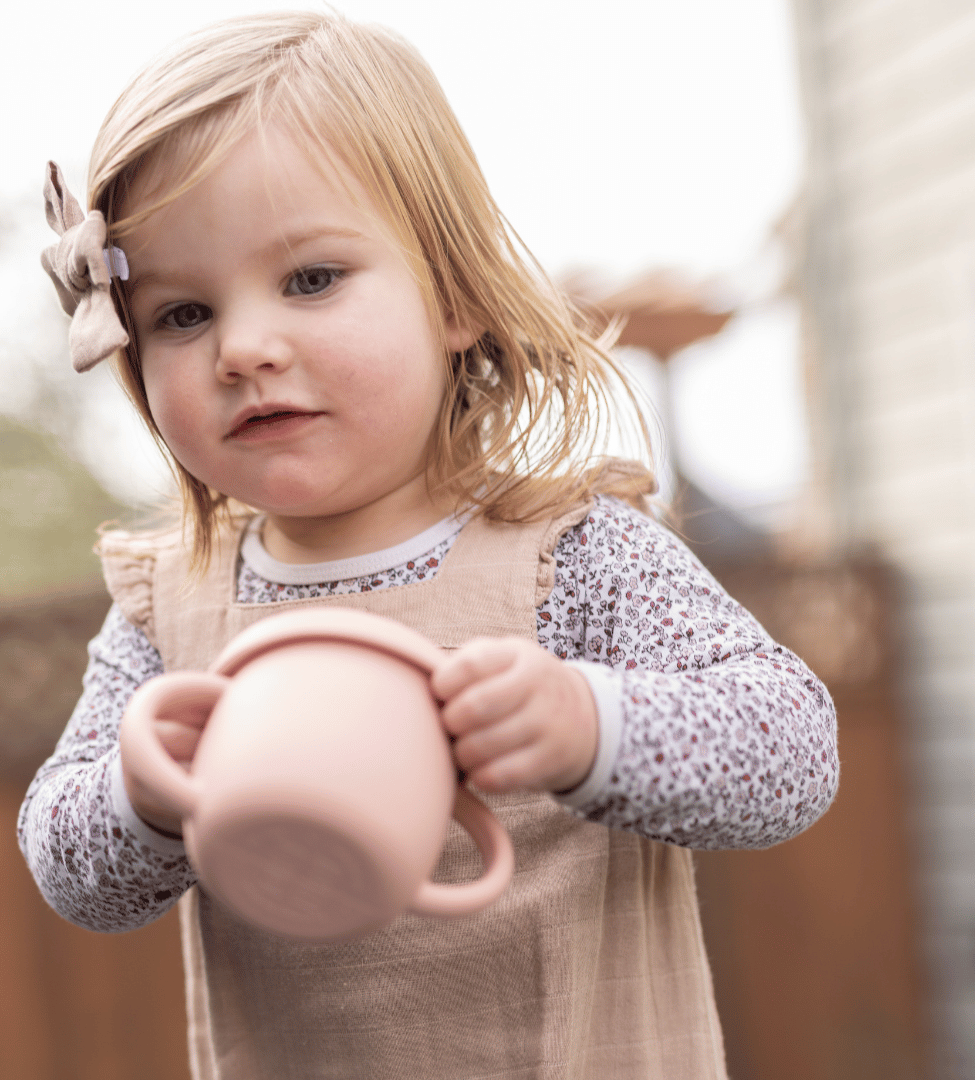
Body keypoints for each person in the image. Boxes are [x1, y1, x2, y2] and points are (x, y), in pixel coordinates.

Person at [18, 13, 838, 1080]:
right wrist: (140, 795)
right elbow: (74, 877)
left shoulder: (569, 556)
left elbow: (792, 753)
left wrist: (591, 725)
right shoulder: (165, 610)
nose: (245, 348)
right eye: (182, 313)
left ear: (451, 295)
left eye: (310, 279)